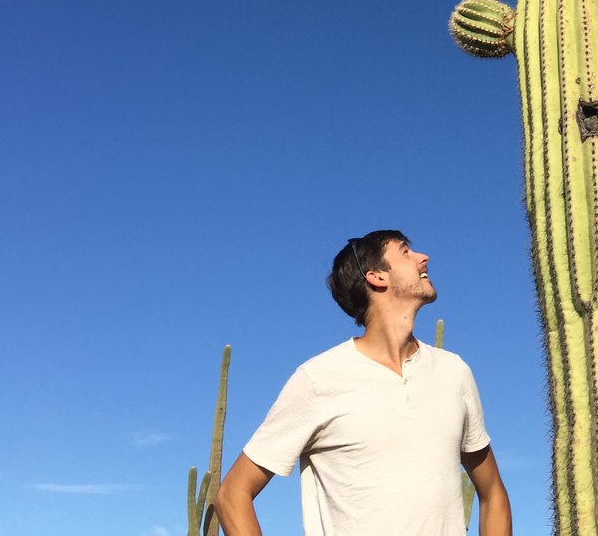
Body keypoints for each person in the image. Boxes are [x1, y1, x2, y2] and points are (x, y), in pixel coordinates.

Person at [215, 229, 511, 536]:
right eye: (405, 252)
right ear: (376, 277)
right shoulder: (318, 378)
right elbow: (232, 494)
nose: (424, 258)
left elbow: (492, 493)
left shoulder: (454, 372)